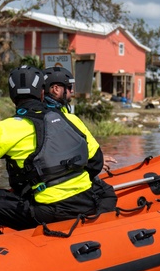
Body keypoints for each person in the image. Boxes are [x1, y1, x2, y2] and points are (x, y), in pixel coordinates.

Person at [0, 66, 114, 236]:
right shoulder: (72, 120)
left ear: (12, 96)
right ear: (43, 93)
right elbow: (96, 162)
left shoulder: (6, 128)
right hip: (86, 202)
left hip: (48, 210)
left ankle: (0, 256)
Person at [42, 66, 118, 205]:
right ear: (56, 89)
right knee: (107, 194)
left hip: (40, 188)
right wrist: (98, 161)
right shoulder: (69, 120)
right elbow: (94, 161)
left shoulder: (33, 118)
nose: (72, 91)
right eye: (69, 87)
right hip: (65, 192)